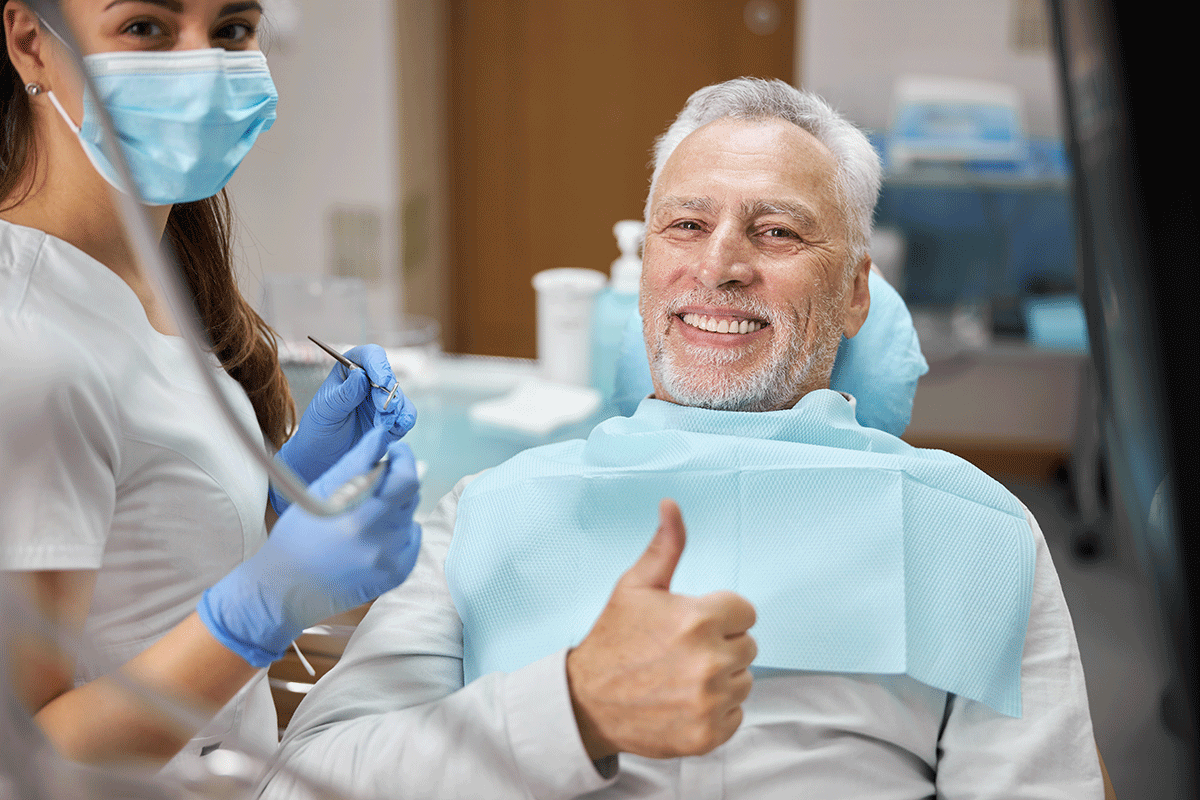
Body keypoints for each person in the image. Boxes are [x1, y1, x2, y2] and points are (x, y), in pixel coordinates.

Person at [261, 78, 1107, 799]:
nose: (720, 266)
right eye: (687, 225)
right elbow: (311, 782)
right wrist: (571, 708)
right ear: (646, 272)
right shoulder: (488, 514)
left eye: (776, 231)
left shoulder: (969, 533)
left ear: (854, 295)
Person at [0, 0, 423, 777]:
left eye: (231, 29)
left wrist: (280, 497)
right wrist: (261, 610)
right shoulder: (25, 346)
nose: (199, 67)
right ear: (31, 42)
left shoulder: (148, 270)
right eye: (146, 28)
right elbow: (24, 764)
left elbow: (138, 564)